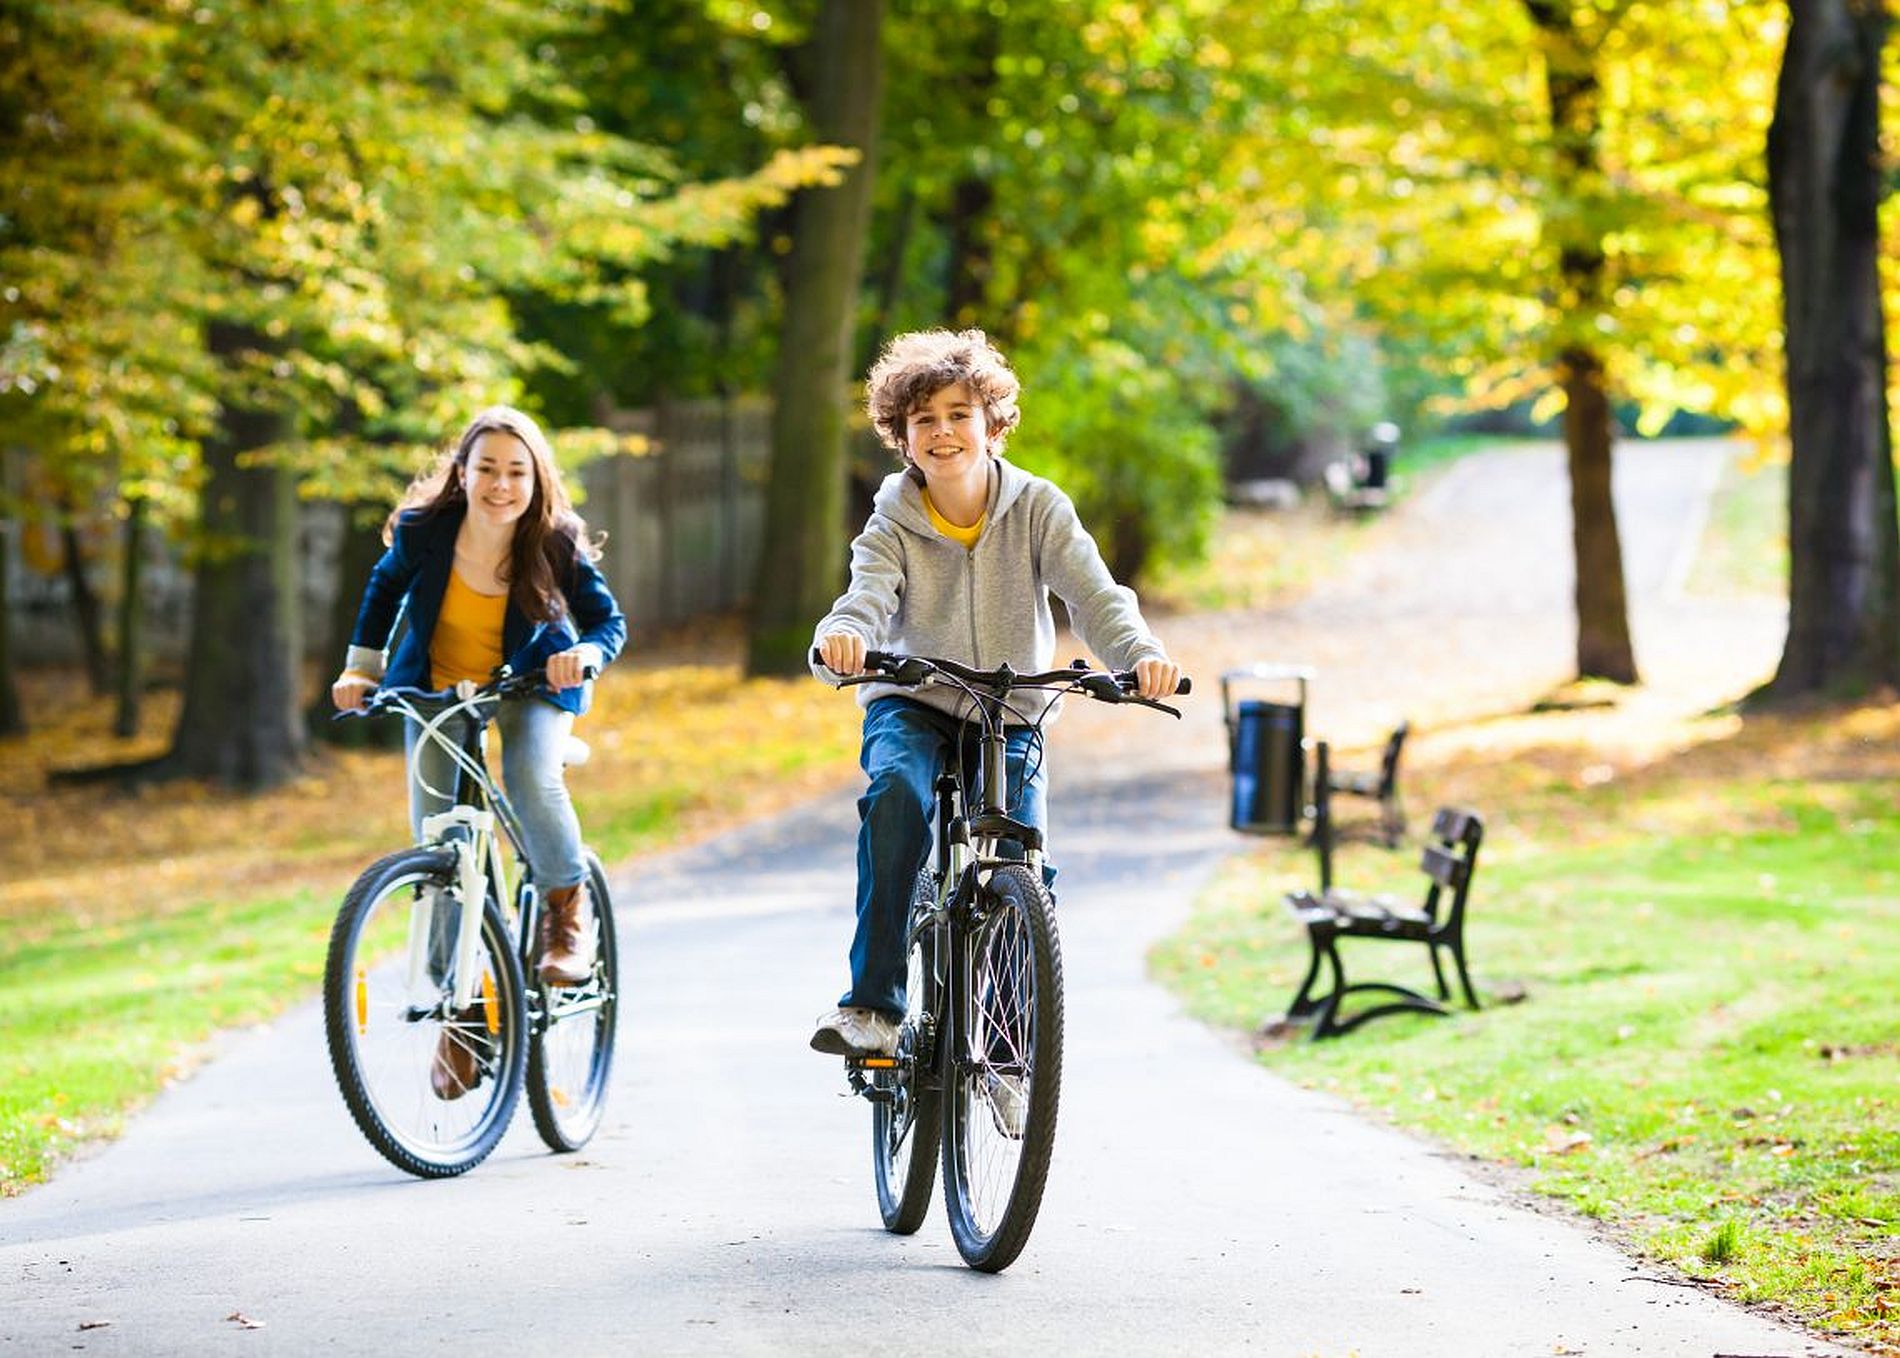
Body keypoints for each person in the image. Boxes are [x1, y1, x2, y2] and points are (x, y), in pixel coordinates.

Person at [808, 329, 1181, 1058]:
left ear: (992, 423)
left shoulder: (1039, 508)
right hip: (912, 699)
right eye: (924, 420)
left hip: (1012, 708)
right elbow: (864, 597)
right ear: (903, 438)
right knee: (896, 797)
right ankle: (873, 1006)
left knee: (1019, 858)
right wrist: (841, 639)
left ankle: (1009, 1047)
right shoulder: (893, 518)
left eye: (958, 413)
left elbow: (1096, 597)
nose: (943, 431)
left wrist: (1140, 655)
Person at [331, 405, 627, 1098]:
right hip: (437, 689)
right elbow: (382, 592)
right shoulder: (424, 530)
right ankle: (462, 1013)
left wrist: (583, 654)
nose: (501, 484)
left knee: (529, 777)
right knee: (439, 844)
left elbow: (607, 622)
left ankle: (564, 916)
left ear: (536, 479)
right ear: (461, 474)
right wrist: (360, 668)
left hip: (531, 685)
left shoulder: (555, 539)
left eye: (516, 471)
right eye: (486, 468)